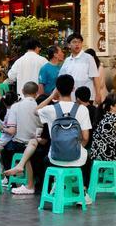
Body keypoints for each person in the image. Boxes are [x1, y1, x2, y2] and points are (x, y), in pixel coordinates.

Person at [35, 74, 94, 204]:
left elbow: (35, 110)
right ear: (73, 89)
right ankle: (83, 192)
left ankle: (54, 186)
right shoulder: (82, 109)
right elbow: (85, 137)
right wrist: (77, 148)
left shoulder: (50, 109)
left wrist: (51, 96)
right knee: (87, 157)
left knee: (45, 158)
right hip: (77, 159)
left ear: (57, 89)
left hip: (55, 158)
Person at [2, 82, 42, 195]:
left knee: (5, 149)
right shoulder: (39, 106)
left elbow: (12, 130)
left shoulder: (15, 106)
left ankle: (11, 181)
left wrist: (3, 129)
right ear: (37, 93)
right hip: (38, 143)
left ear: (23, 91)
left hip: (19, 144)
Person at [59, 33, 103, 104]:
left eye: (79, 42)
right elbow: (61, 78)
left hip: (86, 98)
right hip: (71, 97)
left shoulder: (88, 58)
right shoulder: (67, 60)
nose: (77, 44)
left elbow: (95, 77)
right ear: (69, 45)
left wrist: (98, 94)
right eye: (74, 42)